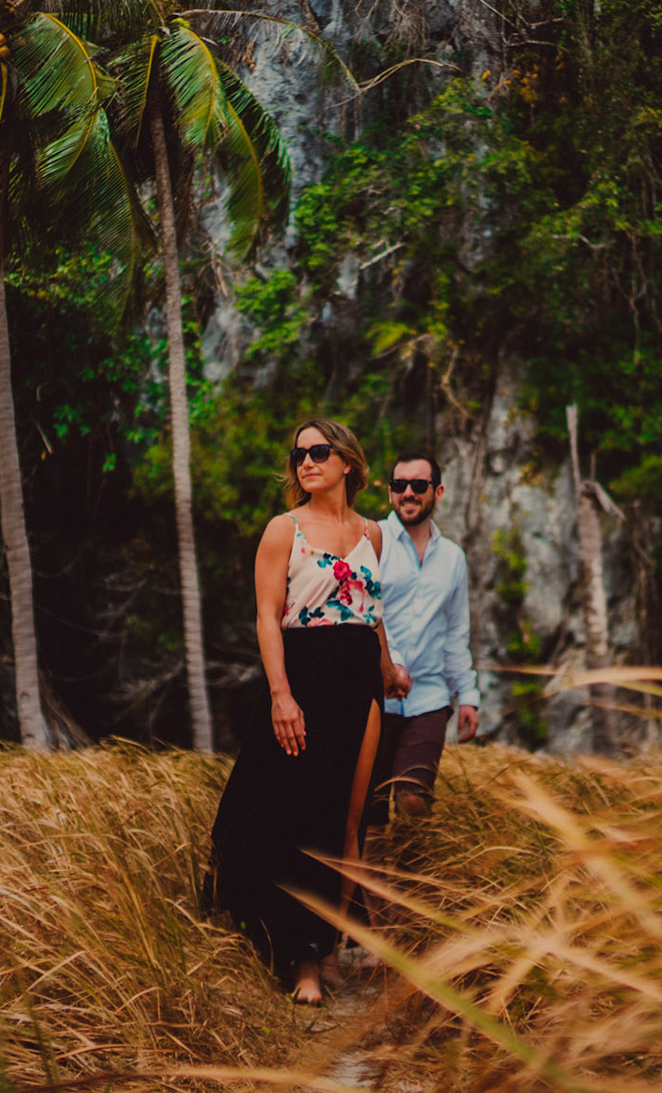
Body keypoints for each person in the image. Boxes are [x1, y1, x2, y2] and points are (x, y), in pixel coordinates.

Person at [209, 418, 411, 1006]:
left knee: (348, 821)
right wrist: (280, 694)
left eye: (319, 452)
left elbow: (371, 614)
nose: (306, 462)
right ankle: (299, 960)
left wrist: (389, 668)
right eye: (299, 454)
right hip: (304, 671)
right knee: (294, 818)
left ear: (348, 462)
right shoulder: (283, 529)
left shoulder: (374, 534)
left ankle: (325, 950)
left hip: (359, 679)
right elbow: (268, 617)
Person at [367, 450, 476, 829]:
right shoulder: (372, 541)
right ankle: (371, 886)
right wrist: (387, 666)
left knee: (414, 801)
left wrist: (468, 696)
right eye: (399, 485)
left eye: (418, 485)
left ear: (438, 492)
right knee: (370, 811)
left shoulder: (453, 558)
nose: (408, 493)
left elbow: (455, 632)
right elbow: (364, 614)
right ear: (391, 493)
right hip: (373, 696)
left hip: (428, 697)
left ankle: (416, 884)